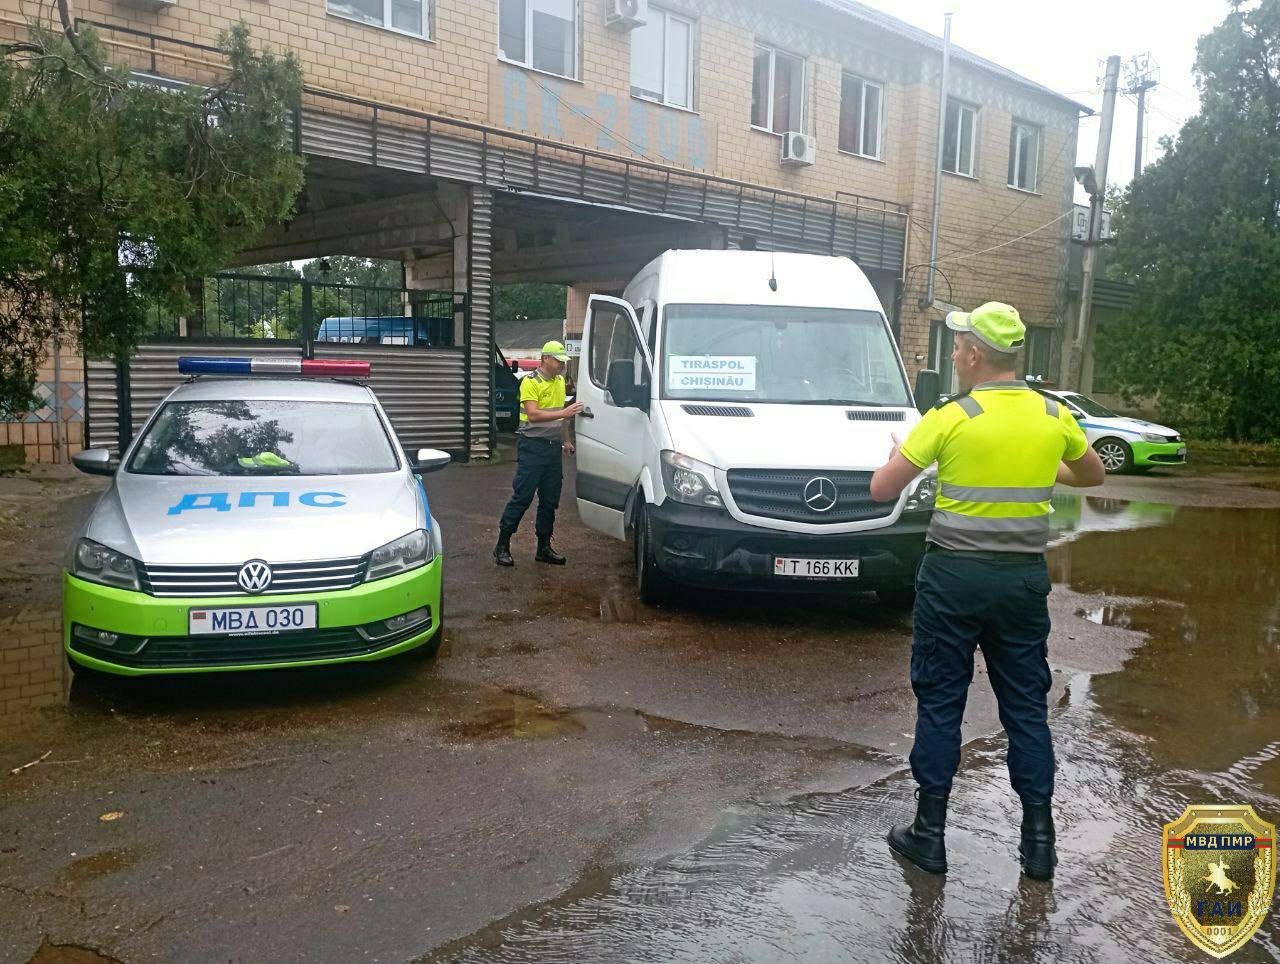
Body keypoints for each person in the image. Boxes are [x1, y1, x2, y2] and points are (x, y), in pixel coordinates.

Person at [869, 302, 1105, 881]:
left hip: (953, 579)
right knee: (1027, 707)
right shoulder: (1053, 415)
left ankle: (929, 836)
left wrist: (898, 454)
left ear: (975, 355)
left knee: (942, 700)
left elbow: (881, 489)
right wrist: (1046, 466)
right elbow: (1093, 475)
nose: (952, 355)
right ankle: (1040, 846)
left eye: (957, 346)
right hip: (1021, 580)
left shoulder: (950, 417)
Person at [494, 341, 583, 567]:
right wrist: (564, 412)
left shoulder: (560, 381)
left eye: (564, 362)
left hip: (552, 449)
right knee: (523, 496)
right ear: (545, 359)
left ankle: (543, 547)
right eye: (558, 361)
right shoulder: (530, 382)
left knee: (550, 500)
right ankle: (502, 545)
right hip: (532, 446)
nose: (562, 366)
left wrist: (566, 441)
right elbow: (532, 415)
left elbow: (561, 418)